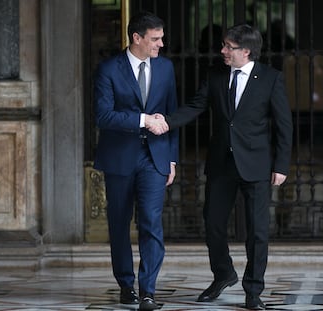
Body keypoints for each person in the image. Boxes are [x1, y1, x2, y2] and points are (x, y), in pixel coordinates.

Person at [150, 24, 293, 310]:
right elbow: (195, 106)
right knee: (213, 223)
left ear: (246, 51)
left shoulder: (270, 78)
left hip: (256, 164)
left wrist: (281, 165)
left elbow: (283, 125)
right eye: (224, 45)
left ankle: (253, 290)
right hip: (221, 164)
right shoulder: (216, 74)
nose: (222, 51)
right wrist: (165, 121)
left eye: (229, 47)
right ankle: (223, 273)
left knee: (257, 232)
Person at [93, 11, 178, 311]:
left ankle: (148, 291)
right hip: (119, 158)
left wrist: (172, 159)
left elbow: (171, 115)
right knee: (119, 224)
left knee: (152, 223)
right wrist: (143, 120)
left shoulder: (166, 69)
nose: (161, 44)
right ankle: (126, 285)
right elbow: (103, 116)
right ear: (136, 38)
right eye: (155, 39)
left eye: (161, 38)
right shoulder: (108, 69)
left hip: (155, 157)